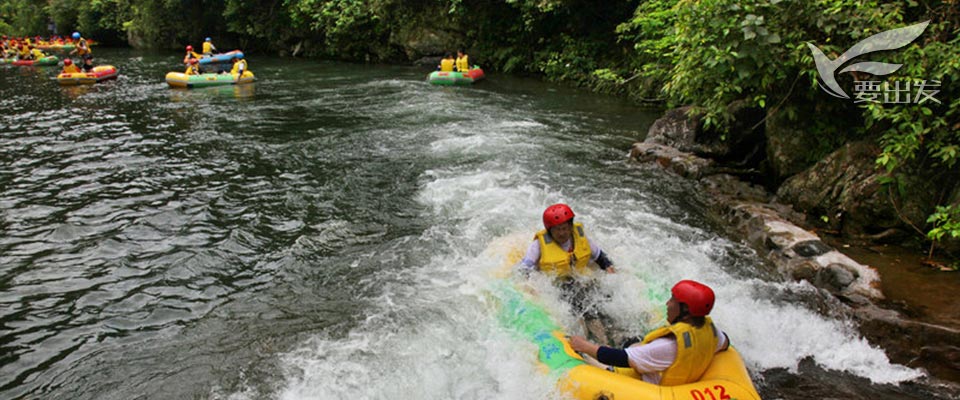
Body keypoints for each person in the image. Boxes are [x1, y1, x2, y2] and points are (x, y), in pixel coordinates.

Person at [569, 280, 730, 386]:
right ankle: (602, 331)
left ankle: (592, 331)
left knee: (586, 354)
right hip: (668, 373)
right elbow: (726, 343)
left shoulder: (668, 346)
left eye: (673, 300)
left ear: (686, 311)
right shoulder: (713, 332)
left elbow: (620, 358)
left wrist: (584, 346)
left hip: (634, 382)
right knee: (630, 339)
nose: (667, 303)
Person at [518, 203, 616, 344]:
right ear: (550, 230)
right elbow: (524, 269)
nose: (562, 233)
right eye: (557, 230)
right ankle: (600, 341)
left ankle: (613, 332)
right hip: (556, 285)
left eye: (565, 228)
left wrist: (610, 271)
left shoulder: (579, 237)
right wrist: (530, 289)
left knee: (600, 294)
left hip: (580, 279)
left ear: (570, 227)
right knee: (578, 294)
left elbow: (601, 257)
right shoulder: (539, 245)